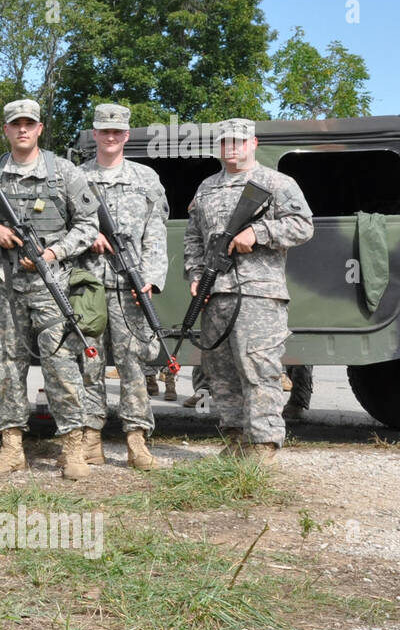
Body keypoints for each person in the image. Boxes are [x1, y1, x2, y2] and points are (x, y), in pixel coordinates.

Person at [0, 99, 99, 480]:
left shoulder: (64, 172)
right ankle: (11, 449)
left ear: (40, 129)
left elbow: (88, 225)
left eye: (29, 124)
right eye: (15, 124)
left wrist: (54, 251)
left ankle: (72, 448)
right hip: (4, 287)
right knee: (6, 368)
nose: (22, 129)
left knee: (61, 368)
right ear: (6, 130)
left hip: (51, 285)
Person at [184, 118, 313, 463]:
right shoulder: (207, 187)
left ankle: (263, 445)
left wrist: (259, 233)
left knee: (258, 369)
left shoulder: (275, 182)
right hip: (215, 292)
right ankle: (236, 437)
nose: (232, 147)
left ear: (252, 144)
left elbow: (303, 225)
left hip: (259, 293)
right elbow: (194, 237)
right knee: (220, 371)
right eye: (225, 141)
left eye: (239, 141)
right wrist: (196, 274)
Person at [77, 103, 170, 470]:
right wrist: (90, 236)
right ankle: (90, 439)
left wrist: (151, 278)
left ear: (126, 136)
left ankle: (137, 441)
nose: (111, 137)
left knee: (135, 366)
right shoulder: (76, 178)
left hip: (131, 286)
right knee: (90, 363)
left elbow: (155, 234)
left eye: (117, 132)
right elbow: (62, 229)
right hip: (88, 285)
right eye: (104, 131)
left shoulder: (146, 179)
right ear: (95, 134)